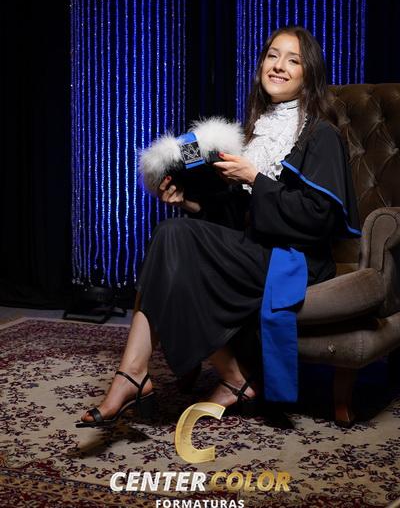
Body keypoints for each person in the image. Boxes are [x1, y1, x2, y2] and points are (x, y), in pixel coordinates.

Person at [77, 26, 360, 428]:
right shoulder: (253, 132)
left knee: (172, 238)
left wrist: (254, 178)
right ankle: (159, 374)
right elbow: (239, 218)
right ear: (260, 65)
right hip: (255, 250)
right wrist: (189, 201)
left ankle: (147, 376)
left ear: (308, 74)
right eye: (272, 56)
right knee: (171, 233)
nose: (278, 66)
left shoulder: (320, 134)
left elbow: (318, 218)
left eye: (293, 60)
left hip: (295, 261)